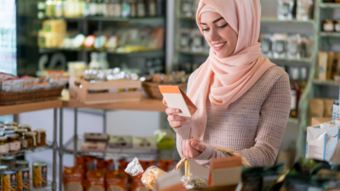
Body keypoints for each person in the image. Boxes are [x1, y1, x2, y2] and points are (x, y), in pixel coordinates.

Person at [165, 0, 291, 167]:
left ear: (245, 23)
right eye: (205, 28)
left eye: (222, 25)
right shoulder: (197, 77)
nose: (211, 37)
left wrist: (212, 155)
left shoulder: (273, 80)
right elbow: (186, 153)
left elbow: (266, 155)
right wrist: (182, 129)